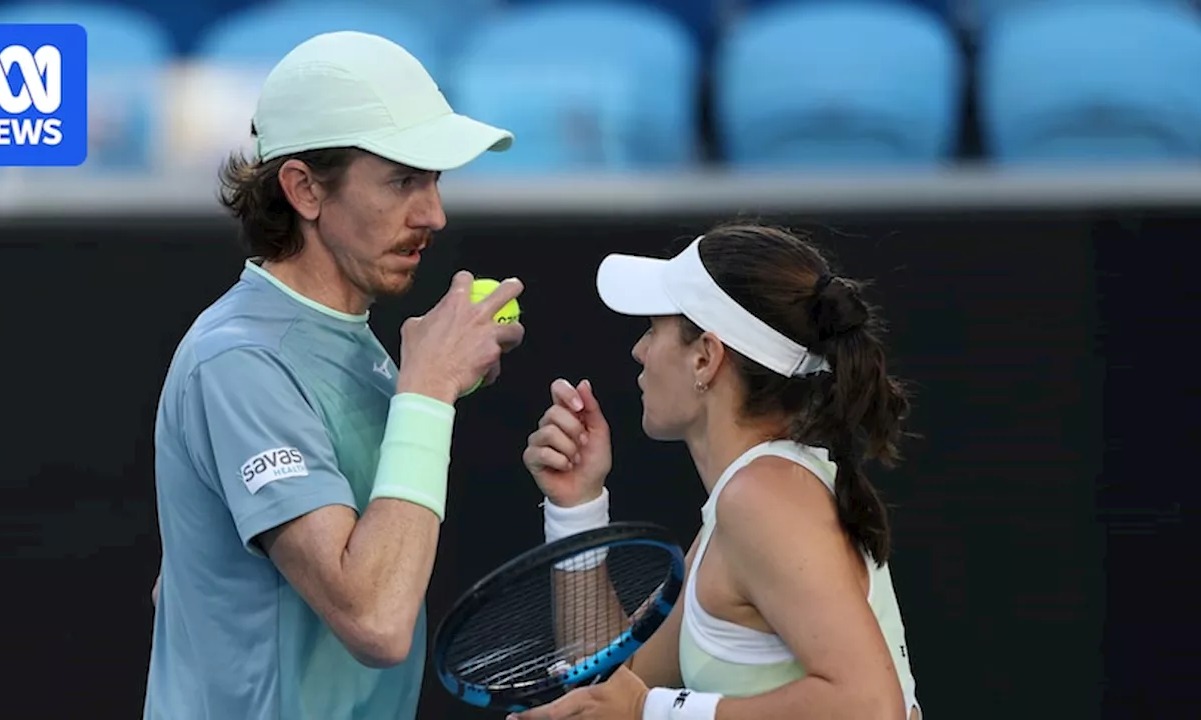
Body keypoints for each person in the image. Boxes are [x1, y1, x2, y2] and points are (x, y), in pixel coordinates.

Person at [143, 31, 525, 719]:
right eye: (404, 179)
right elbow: (375, 621)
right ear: (304, 189)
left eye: (434, 180)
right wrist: (428, 391)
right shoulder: (239, 361)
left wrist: (421, 389)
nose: (433, 213)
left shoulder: (353, 348)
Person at [516, 223, 920, 720]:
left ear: (705, 357)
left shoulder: (763, 497)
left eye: (653, 329)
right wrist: (576, 507)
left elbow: (871, 708)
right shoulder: (751, 496)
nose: (639, 351)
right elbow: (615, 683)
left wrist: (652, 711)